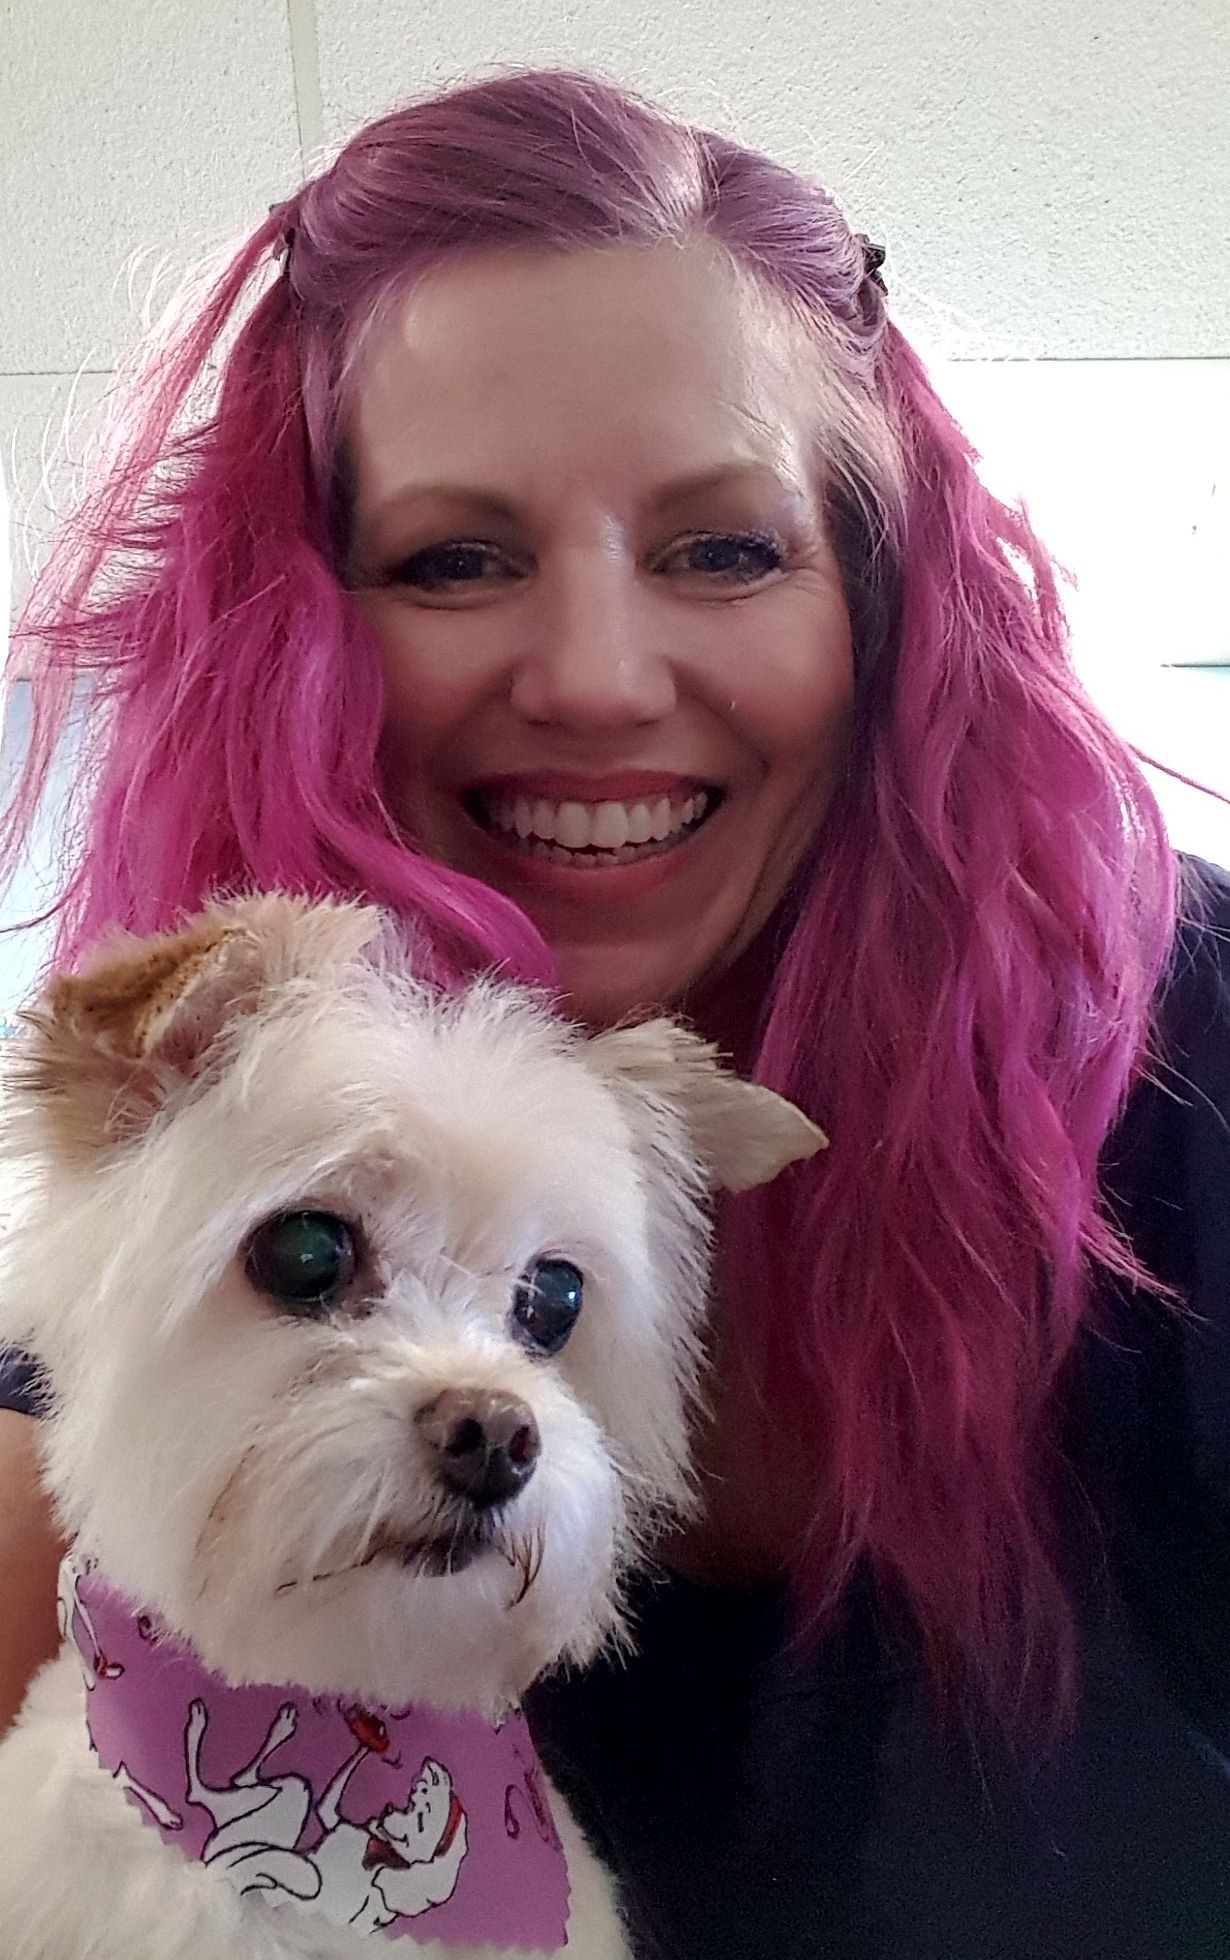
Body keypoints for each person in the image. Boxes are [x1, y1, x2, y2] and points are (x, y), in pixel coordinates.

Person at [1, 68, 1227, 1959]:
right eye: (454, 558)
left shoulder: (1185, 1070)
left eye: (723, 547)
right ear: (297, 626)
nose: (591, 677)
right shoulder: (177, 1169)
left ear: (881, 602)